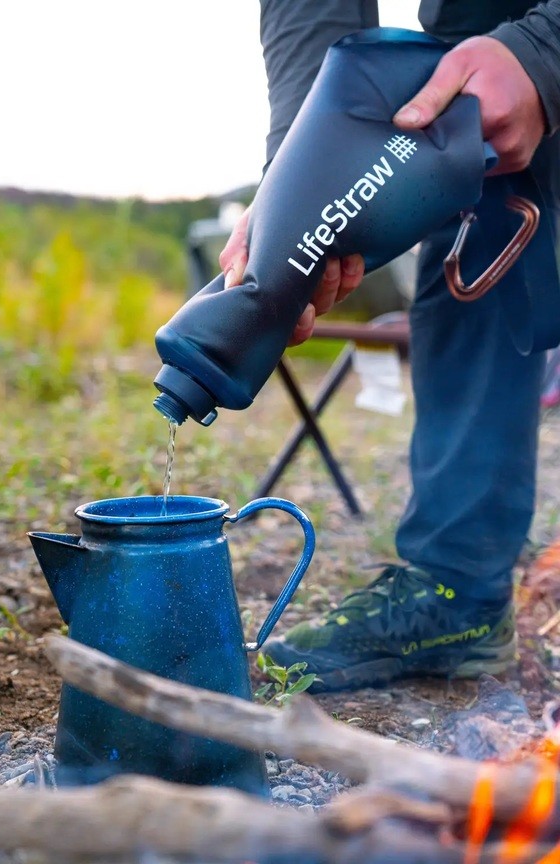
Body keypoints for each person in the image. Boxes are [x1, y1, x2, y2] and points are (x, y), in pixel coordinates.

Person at [220, 1, 560, 692]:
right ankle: (455, 595)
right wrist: (301, 177)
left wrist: (545, 52)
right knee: (476, 262)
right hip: (476, 70)